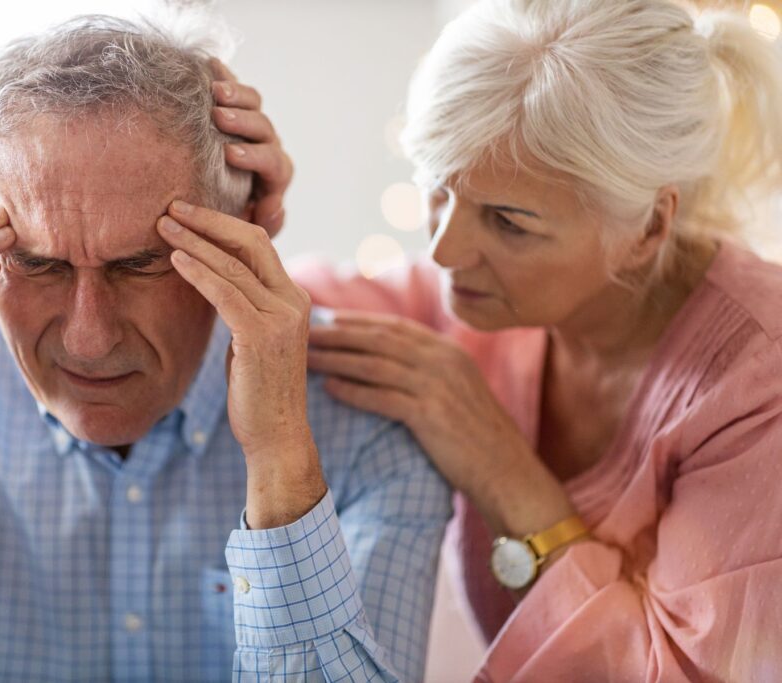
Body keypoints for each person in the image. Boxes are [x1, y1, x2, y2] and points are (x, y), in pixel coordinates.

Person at [0, 15, 450, 683]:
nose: (89, 337)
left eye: (139, 265)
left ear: (239, 237)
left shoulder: (365, 417)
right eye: (37, 264)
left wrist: (279, 462)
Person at [214, 0, 782, 680]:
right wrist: (244, 208)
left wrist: (498, 466)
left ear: (649, 229)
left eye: (508, 222)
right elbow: (276, 311)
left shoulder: (760, 376)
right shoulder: (473, 301)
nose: (444, 249)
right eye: (437, 191)